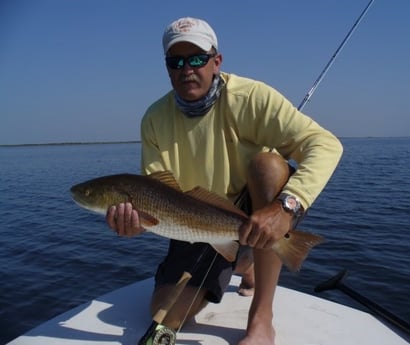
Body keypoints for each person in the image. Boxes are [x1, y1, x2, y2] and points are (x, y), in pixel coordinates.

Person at [107, 17, 343, 345]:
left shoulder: (251, 97)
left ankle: (261, 320)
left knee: (269, 166)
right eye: (176, 61)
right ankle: (246, 262)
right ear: (167, 68)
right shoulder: (154, 119)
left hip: (259, 205)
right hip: (194, 220)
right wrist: (138, 224)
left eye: (197, 58)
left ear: (216, 61)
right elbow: (155, 193)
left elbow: (326, 144)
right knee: (164, 313)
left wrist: (287, 207)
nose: (187, 68)